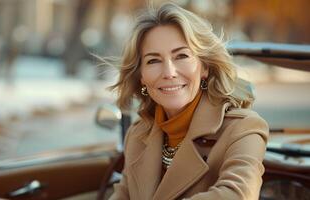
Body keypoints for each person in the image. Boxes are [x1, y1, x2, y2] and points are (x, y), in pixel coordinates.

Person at [109, 2, 269, 200]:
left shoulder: (244, 128)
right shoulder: (138, 134)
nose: (169, 72)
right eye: (153, 60)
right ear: (141, 76)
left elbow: (237, 194)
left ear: (205, 67)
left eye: (182, 56)